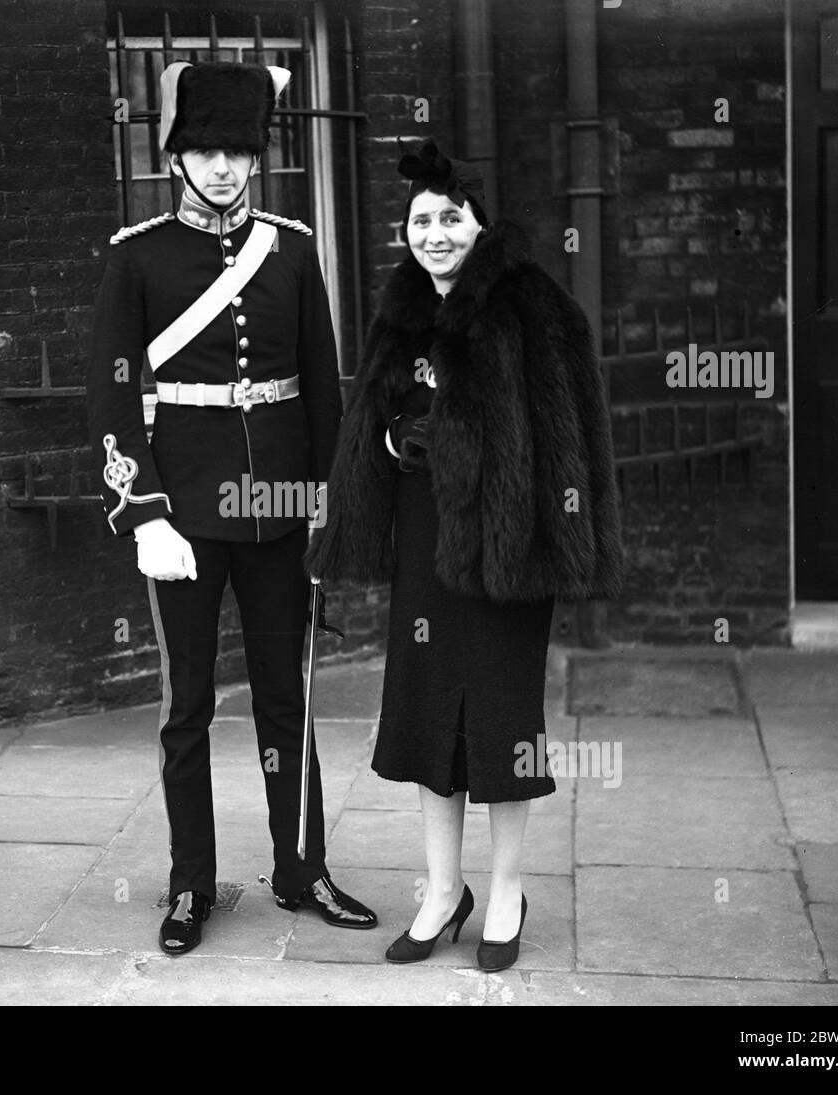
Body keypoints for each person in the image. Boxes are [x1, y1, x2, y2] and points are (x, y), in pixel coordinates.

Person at [304, 139, 622, 971]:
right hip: (423, 543)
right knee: (425, 718)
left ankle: (507, 889)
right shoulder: (401, 308)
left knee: (504, 726)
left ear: (481, 226)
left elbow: (565, 436)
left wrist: (457, 434)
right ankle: (443, 891)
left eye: (452, 219)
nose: (435, 234)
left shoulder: (532, 306)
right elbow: (366, 418)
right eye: (421, 220)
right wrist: (390, 437)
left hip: (506, 551)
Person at [86, 60, 377, 957]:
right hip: (183, 518)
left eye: (239, 151)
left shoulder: (291, 248)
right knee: (188, 707)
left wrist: (329, 507)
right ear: (177, 155)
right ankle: (189, 883)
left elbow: (324, 392)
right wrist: (145, 513)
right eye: (207, 149)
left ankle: (302, 867)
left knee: (288, 697)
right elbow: (110, 393)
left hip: (280, 515)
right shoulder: (137, 256)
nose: (223, 167)